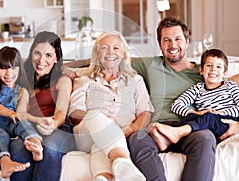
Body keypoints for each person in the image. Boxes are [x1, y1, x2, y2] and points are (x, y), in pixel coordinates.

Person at [128, 16, 217, 181]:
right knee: (135, 139)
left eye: (177, 39)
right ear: (160, 44)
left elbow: (230, 84)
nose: (173, 45)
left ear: (187, 41)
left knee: (206, 138)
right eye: (166, 40)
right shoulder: (150, 65)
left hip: (189, 129)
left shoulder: (204, 71)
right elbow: (112, 59)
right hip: (157, 129)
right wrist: (69, 70)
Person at [69, 30, 153, 181]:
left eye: (116, 48)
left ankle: (104, 177)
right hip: (86, 133)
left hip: (120, 134)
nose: (110, 52)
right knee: (95, 116)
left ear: (123, 54)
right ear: (97, 53)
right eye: (104, 47)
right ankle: (124, 161)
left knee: (103, 143)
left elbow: (145, 113)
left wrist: (131, 129)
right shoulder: (84, 79)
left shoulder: (136, 80)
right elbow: (75, 113)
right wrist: (101, 120)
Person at [9, 31, 76, 181]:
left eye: (48, 55)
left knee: (50, 148)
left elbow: (60, 115)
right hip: (27, 129)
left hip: (57, 129)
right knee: (18, 148)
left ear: (56, 59)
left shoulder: (62, 80)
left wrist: (52, 124)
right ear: (31, 53)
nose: (41, 60)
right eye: (37, 53)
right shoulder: (20, 76)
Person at [0, 46, 52, 178]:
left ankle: (36, 147)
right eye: (3, 68)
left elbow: (21, 114)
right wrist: (11, 113)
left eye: (13, 68)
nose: (9, 73)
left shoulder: (23, 90)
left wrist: (38, 120)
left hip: (14, 121)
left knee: (24, 124)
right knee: (1, 136)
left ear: (20, 69)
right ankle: (5, 162)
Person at [152, 48, 239, 151]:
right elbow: (176, 105)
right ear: (201, 70)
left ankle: (176, 133)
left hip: (226, 122)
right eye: (209, 65)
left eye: (219, 67)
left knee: (210, 117)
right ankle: (167, 137)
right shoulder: (198, 88)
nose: (213, 69)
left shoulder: (230, 86)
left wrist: (221, 112)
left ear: (225, 73)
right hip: (205, 125)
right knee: (192, 117)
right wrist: (196, 113)